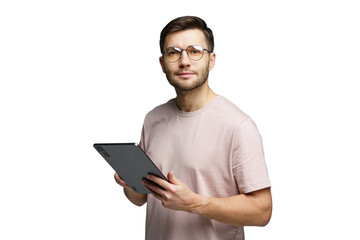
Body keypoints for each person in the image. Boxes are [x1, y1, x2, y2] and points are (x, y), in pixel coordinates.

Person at [114, 16, 272, 240]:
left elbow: (263, 211)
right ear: (162, 63)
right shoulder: (153, 119)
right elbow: (140, 199)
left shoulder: (238, 125)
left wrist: (195, 203)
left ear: (211, 60)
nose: (184, 61)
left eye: (195, 51)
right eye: (173, 52)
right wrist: (129, 182)